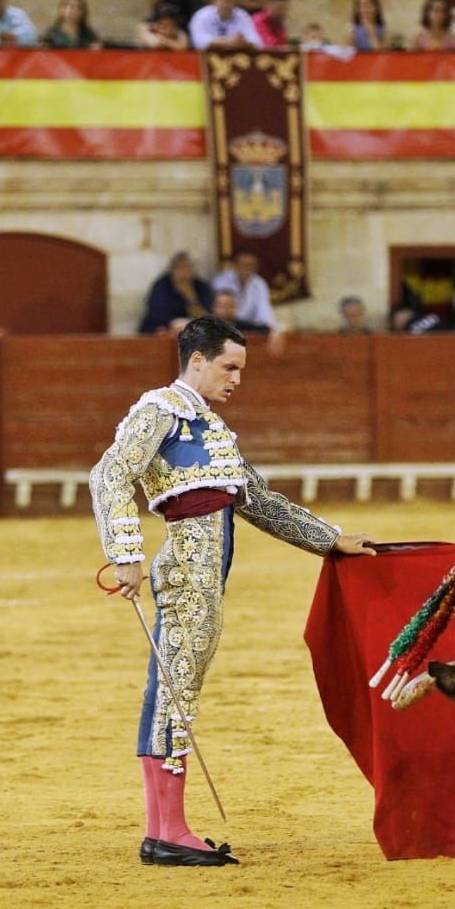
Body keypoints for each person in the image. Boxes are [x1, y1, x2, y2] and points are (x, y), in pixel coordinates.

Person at [89, 316, 376, 867]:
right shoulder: (160, 411)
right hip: (187, 571)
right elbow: (109, 475)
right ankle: (167, 831)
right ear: (196, 360)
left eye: (241, 369)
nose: (236, 379)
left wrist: (329, 539)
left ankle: (165, 829)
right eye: (229, 367)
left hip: (207, 575)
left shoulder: (211, 427)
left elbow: (258, 501)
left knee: (177, 687)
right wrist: (125, 553)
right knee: (173, 689)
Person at [211, 251, 285, 337]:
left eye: (250, 265)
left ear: (255, 268)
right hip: (227, 325)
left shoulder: (259, 283)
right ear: (235, 265)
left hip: (250, 328)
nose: (245, 268)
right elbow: (218, 310)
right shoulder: (221, 281)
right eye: (242, 264)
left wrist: (271, 328)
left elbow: (264, 310)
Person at [140, 252, 213, 335]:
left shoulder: (201, 287)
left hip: (192, 332)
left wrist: (190, 297)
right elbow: (156, 311)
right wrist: (174, 323)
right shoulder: (161, 286)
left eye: (187, 268)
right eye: (179, 268)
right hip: (162, 328)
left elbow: (205, 317)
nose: (183, 273)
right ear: (172, 270)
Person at [189, 0, 261, 49]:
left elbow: (257, 43)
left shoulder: (242, 16)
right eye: (226, 1)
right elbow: (198, 42)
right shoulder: (201, 16)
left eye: (233, 2)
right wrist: (226, 42)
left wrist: (245, 42)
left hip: (236, 55)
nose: (228, 5)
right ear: (216, 0)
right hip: (208, 55)